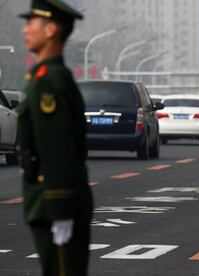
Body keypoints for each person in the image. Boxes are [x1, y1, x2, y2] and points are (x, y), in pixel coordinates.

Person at [16, 1, 93, 275]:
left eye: (31, 23)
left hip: (55, 204)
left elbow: (58, 148)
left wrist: (60, 208)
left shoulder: (48, 81)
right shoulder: (47, 76)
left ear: (50, 29)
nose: (25, 30)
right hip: (51, 202)